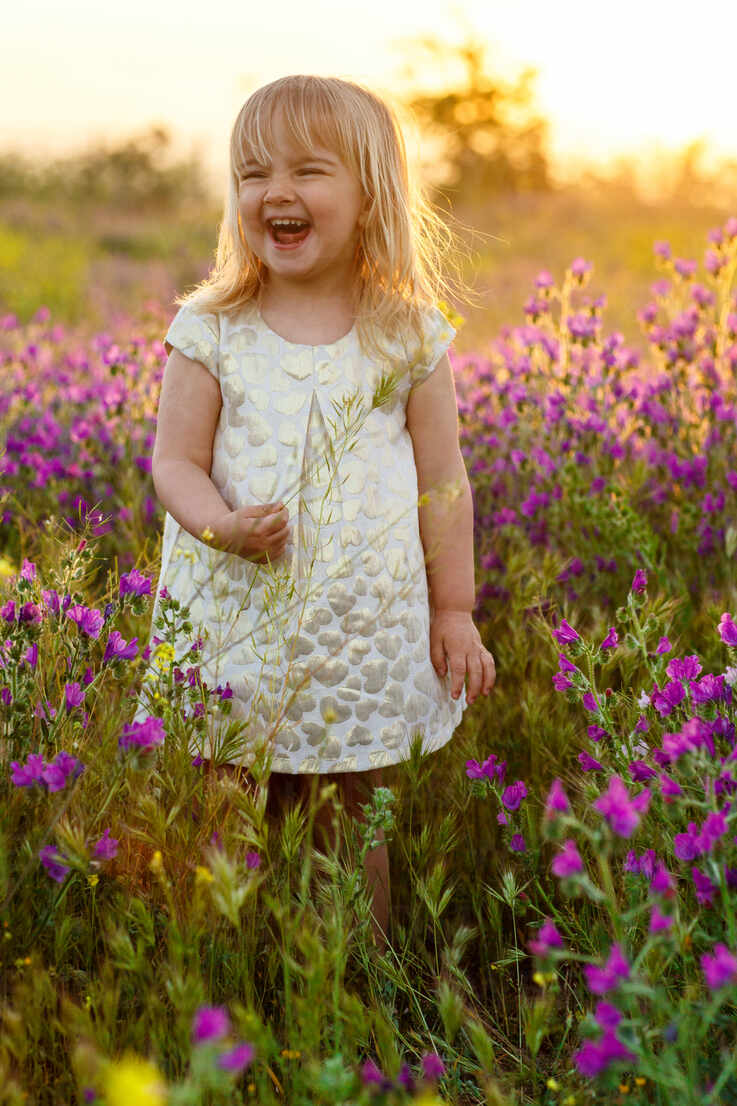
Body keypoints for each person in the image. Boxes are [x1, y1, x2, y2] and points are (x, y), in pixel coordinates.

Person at [134, 75, 496, 953]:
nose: (277, 192)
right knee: (225, 810)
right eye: (254, 172)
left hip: (354, 632)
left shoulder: (406, 333)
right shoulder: (211, 325)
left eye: (308, 170)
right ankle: (219, 977)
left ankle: (351, 985)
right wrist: (220, 525)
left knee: (349, 820)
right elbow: (173, 462)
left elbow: (443, 482)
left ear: (370, 191)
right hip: (232, 622)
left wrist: (454, 609)